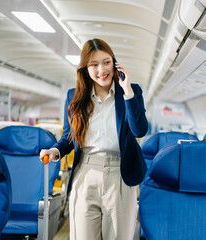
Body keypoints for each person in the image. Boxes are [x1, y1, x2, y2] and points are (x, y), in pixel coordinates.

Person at [40, 38, 148, 240]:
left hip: (120, 174)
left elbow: (139, 130)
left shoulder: (132, 92)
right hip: (86, 172)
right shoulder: (75, 97)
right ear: (85, 69)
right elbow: (68, 137)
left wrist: (128, 92)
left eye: (106, 62)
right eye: (94, 65)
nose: (102, 70)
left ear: (114, 62)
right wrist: (55, 151)